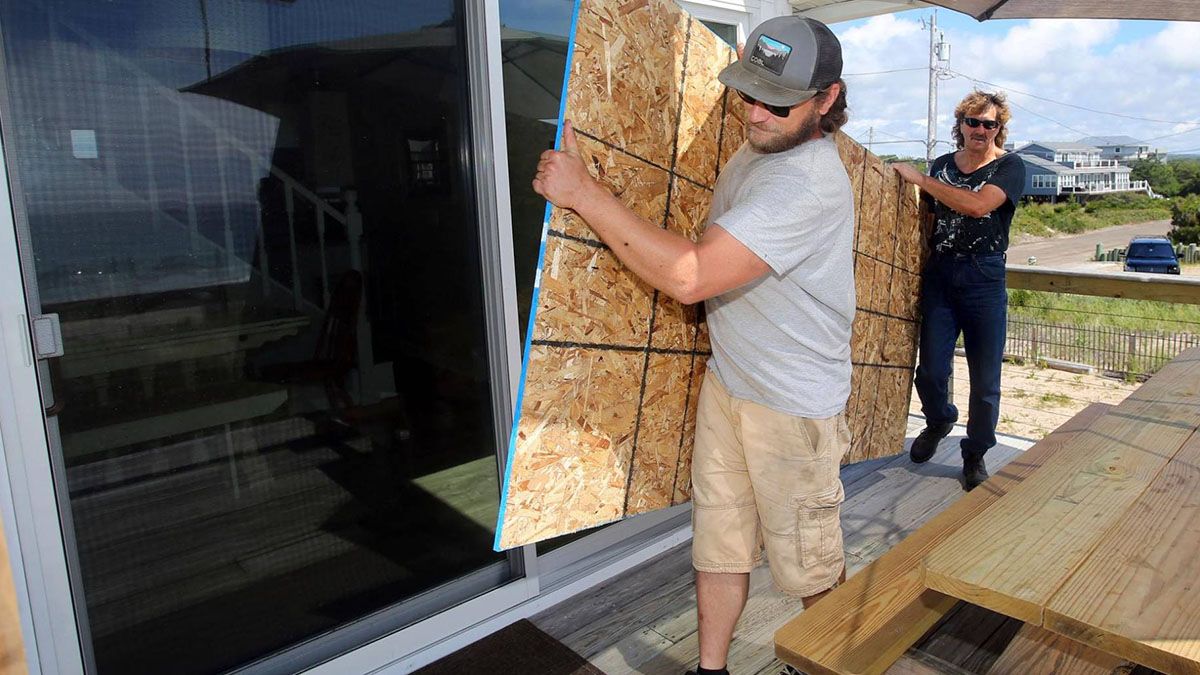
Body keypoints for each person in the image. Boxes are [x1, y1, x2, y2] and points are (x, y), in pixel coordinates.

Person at [533, 16, 853, 675]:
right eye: (748, 92)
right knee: (720, 543)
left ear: (826, 98)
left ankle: (830, 666)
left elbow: (690, 275)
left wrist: (584, 194)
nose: (756, 113)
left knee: (809, 565)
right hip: (732, 384)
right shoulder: (763, 141)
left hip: (793, 408)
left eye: (778, 101)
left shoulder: (807, 183)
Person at [894, 92, 1025, 491]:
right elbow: (927, 218)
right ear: (961, 124)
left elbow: (978, 207)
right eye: (973, 122)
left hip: (984, 278)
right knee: (931, 369)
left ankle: (976, 451)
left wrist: (920, 179)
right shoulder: (944, 165)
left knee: (985, 380)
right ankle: (939, 420)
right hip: (942, 274)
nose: (980, 130)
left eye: (989, 124)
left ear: (999, 128)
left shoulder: (1009, 166)